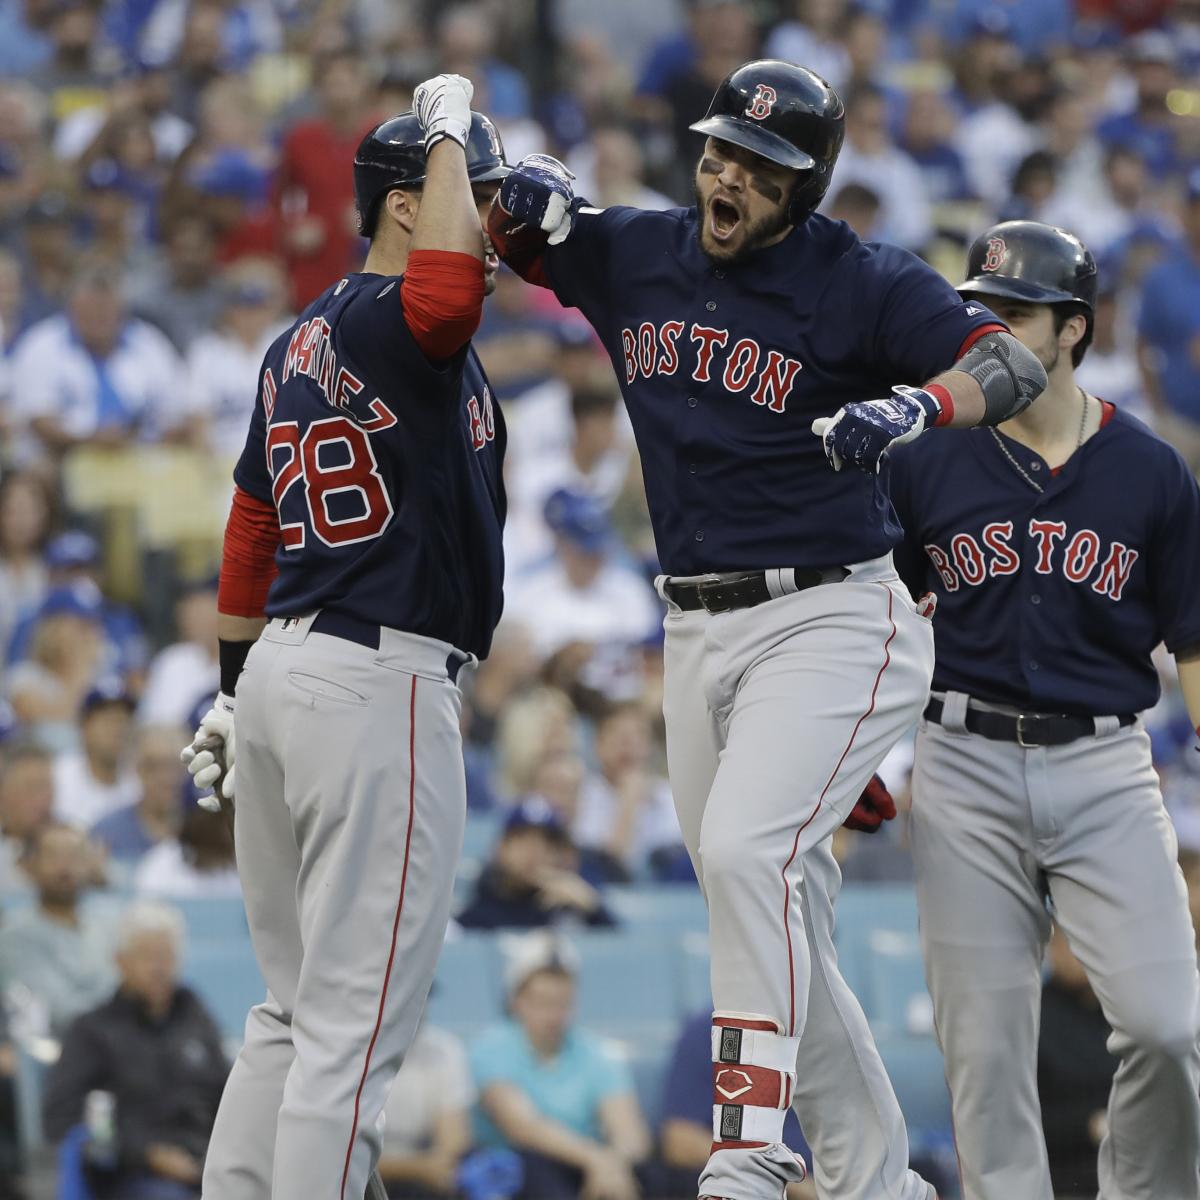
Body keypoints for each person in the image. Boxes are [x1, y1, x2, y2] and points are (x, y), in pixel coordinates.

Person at [488, 58, 1046, 1200]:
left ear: (809, 181)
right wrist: (508, 182)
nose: (726, 175)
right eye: (718, 151)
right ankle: (876, 1180)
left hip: (837, 612)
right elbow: (509, 226)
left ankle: (747, 1152)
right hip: (694, 631)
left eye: (759, 163)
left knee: (748, 858)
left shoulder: (862, 282)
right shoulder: (639, 250)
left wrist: (916, 404)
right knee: (769, 901)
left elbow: (1013, 362)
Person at [181, 76, 511, 1199]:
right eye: (467, 188)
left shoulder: (300, 341)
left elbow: (251, 526)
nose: (489, 213)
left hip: (287, 669)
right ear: (407, 207)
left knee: (294, 1007)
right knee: (353, 1030)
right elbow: (450, 293)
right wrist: (452, 125)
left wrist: (230, 690)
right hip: (380, 679)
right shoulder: (403, 318)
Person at [887, 220, 1200, 1200]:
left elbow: (1191, 639)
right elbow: (872, 623)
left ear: (1074, 329)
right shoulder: (925, 458)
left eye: (1012, 317)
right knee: (983, 1055)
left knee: (1168, 1027)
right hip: (963, 761)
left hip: (1106, 766)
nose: (988, 334)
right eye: (977, 313)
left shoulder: (1149, 470)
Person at [42, 902, 228, 1200]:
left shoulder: (196, 1019)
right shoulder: (92, 1031)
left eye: (167, 956)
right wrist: (147, 1155)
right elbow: (62, 1119)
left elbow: (226, 1095)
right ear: (120, 961)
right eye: (148, 957)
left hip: (205, 1166)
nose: (159, 968)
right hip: (128, 1177)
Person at [470, 932, 652, 1200]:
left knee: (645, 1177)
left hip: (591, 1166)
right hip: (522, 1167)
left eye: (563, 1003)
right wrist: (595, 1159)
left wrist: (615, 1162)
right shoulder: (492, 1047)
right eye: (543, 1003)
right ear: (516, 1001)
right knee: (534, 1170)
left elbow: (631, 1133)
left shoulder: (596, 1052)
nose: (554, 1016)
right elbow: (523, 1127)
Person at [0, 821, 116, 1037]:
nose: (65, 868)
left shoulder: (109, 925)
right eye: (54, 857)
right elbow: (53, 1010)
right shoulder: (14, 936)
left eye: (75, 857)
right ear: (32, 865)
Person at [1036, 926, 1118, 1200]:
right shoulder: (1034, 1017)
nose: (1080, 952)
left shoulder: (1123, 1013)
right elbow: (1021, 1120)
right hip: (1064, 1179)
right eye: (1069, 941)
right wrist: (1091, 1125)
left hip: (1132, 1172)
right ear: (1051, 947)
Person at [456, 798, 616, 930]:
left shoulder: (564, 908)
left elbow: (619, 950)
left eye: (546, 844)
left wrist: (591, 906)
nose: (534, 853)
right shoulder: (479, 911)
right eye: (522, 840)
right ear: (502, 847)